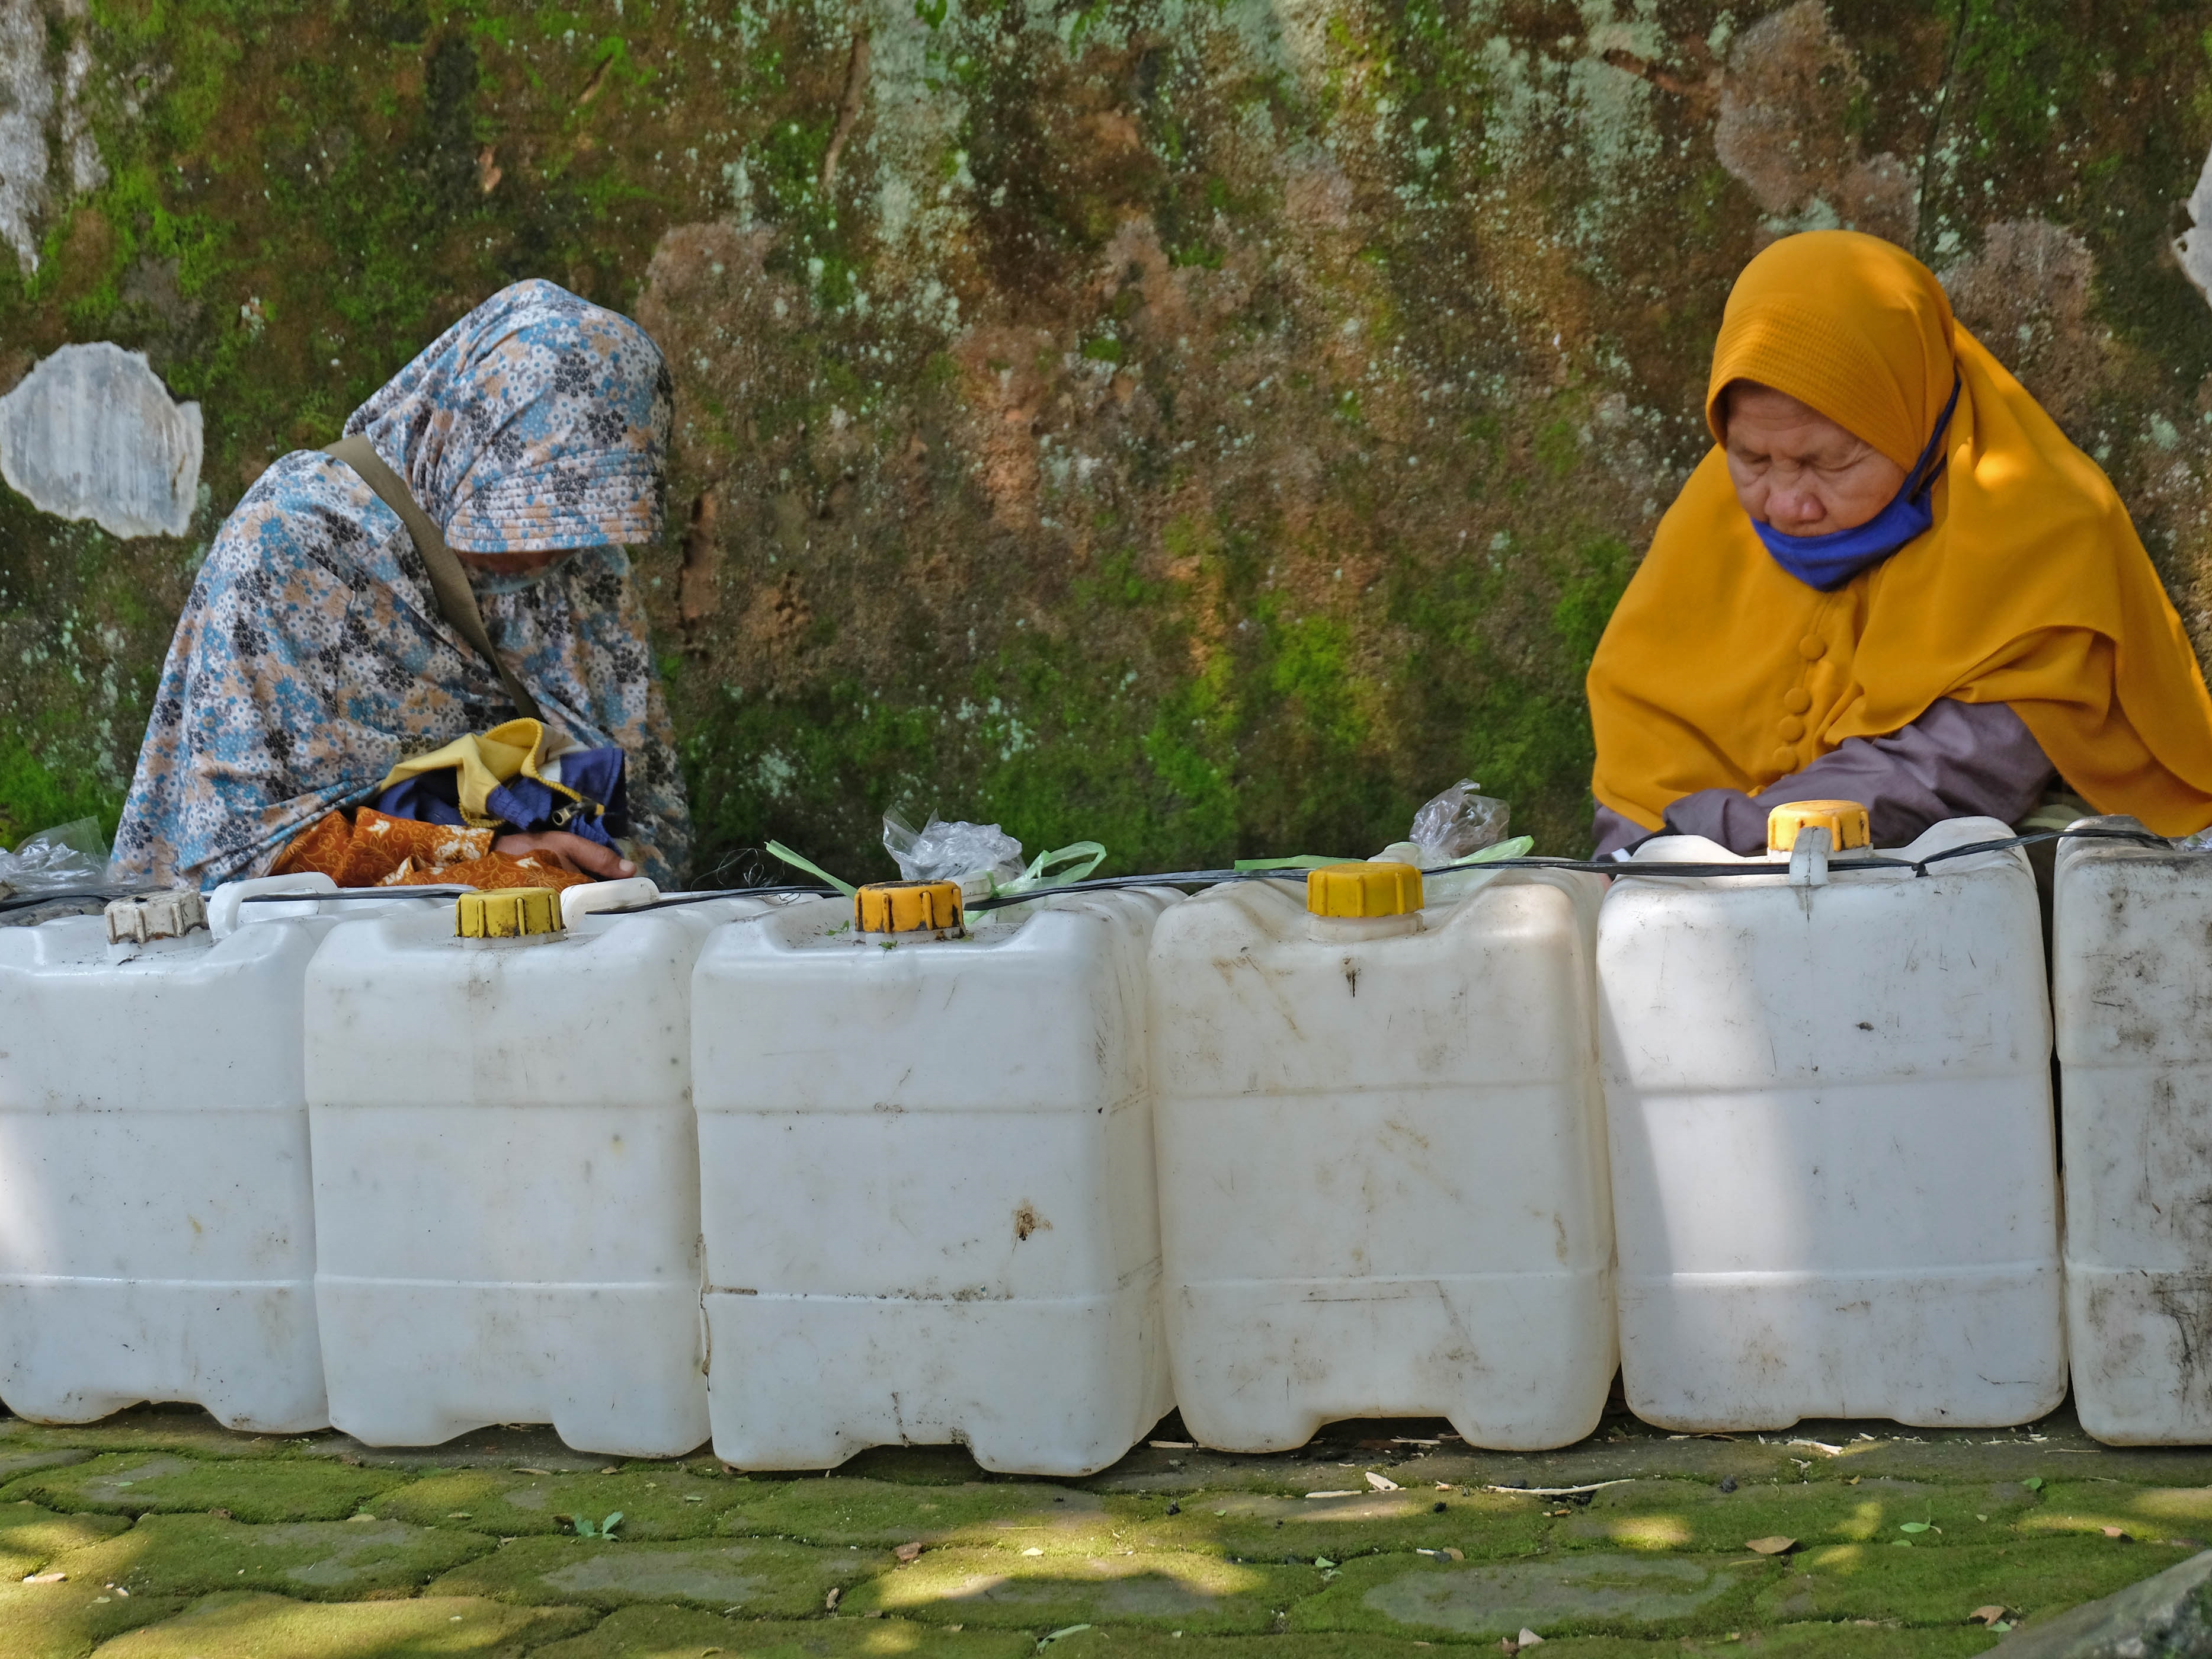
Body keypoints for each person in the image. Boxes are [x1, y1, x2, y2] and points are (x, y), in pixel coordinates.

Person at [1587, 230, 2212, 857]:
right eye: (1751, 458)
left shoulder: (2041, 530)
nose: (1785, 504)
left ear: (1909, 417)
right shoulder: (1709, 519)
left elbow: (1953, 770)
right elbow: (1641, 752)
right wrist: (1640, 863)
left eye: (1827, 463)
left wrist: (1708, 843)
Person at [112, 280, 690, 891]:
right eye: (520, 510)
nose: (543, 550)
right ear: (465, 442)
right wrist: (487, 857)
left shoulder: (580, 564)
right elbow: (239, 860)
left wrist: (598, 867)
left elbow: (649, 812)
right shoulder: (293, 544)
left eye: (580, 519)